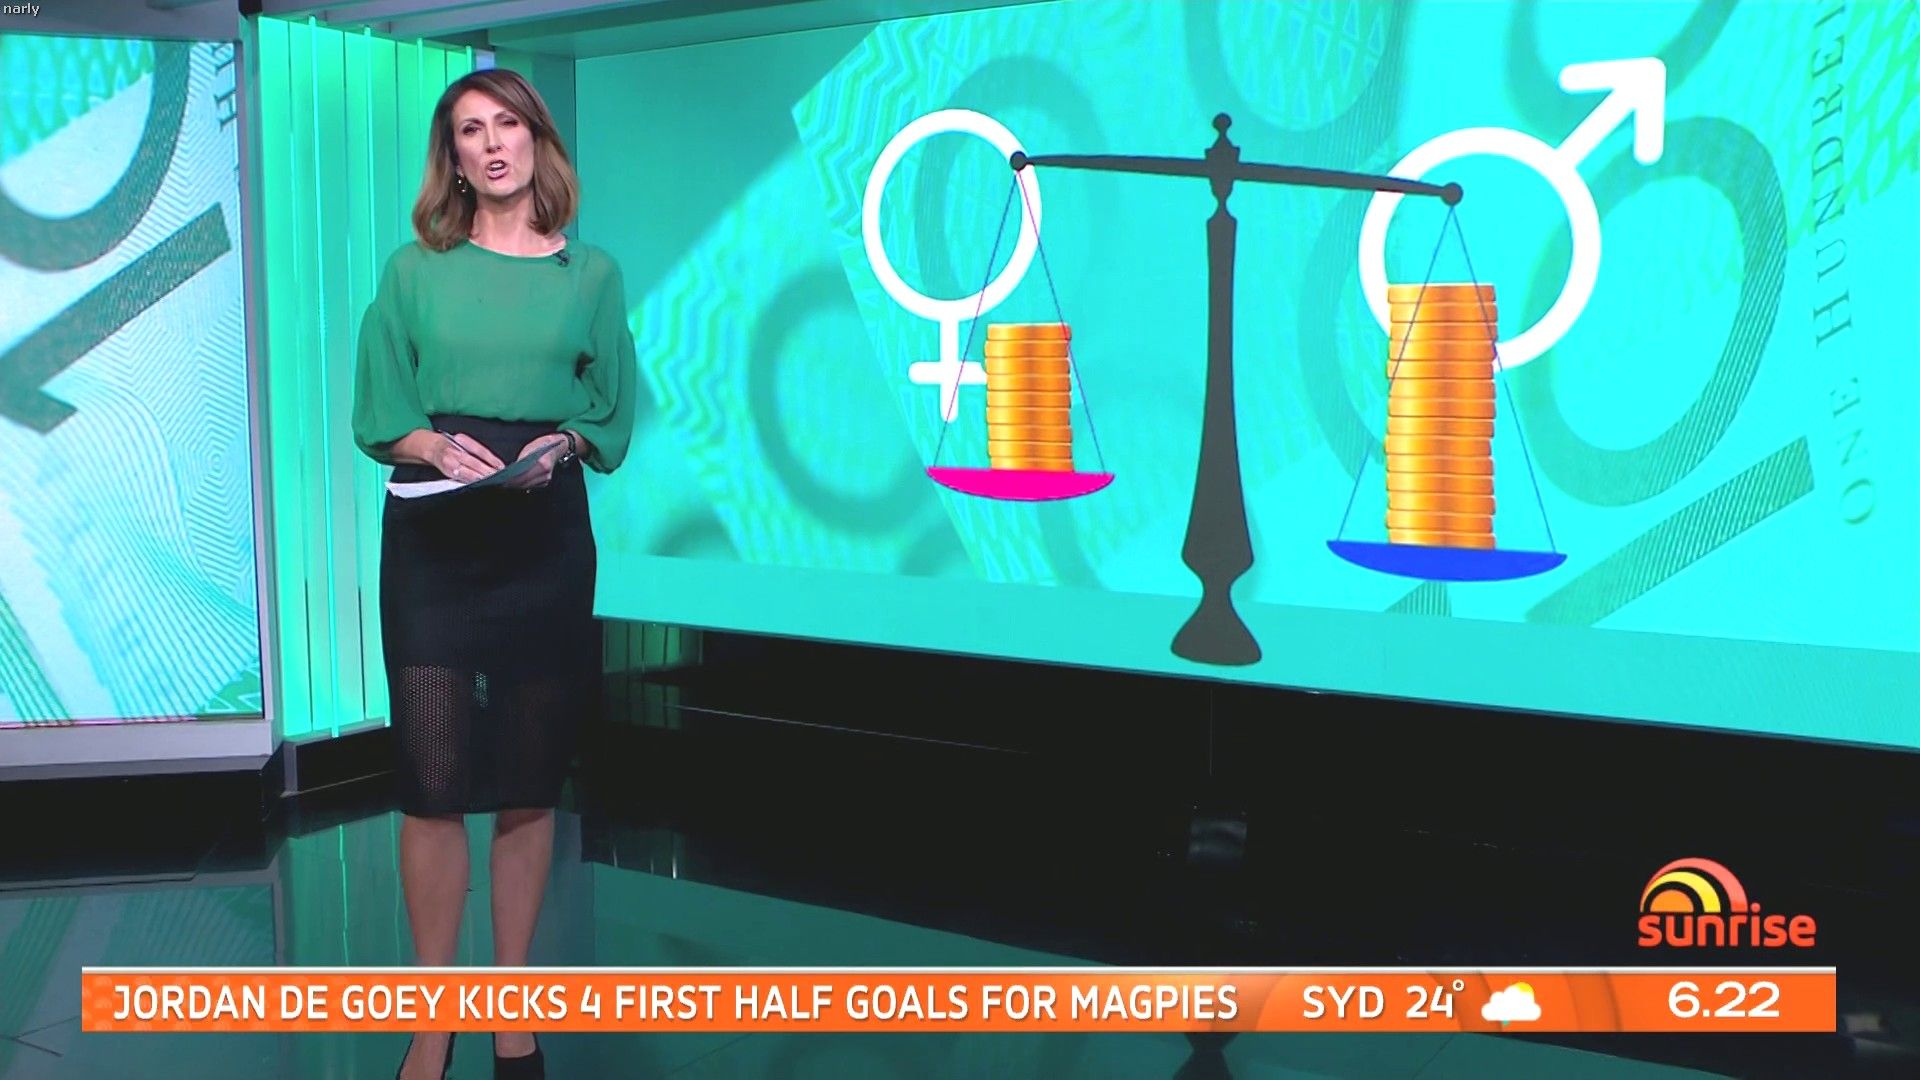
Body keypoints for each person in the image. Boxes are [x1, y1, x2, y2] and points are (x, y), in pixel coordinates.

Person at [350, 67, 636, 1080]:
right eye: (470, 130)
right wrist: (429, 445)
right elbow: (379, 405)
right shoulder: (412, 271)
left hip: (542, 537)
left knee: (525, 781)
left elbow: (612, 406)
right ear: (456, 160)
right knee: (431, 787)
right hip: (435, 539)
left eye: (507, 123)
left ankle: (511, 1003)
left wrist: (567, 442)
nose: (492, 143)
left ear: (536, 140)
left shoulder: (591, 275)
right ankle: (435, 1018)